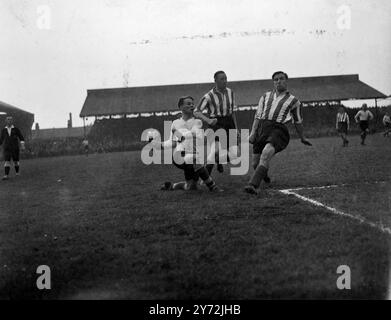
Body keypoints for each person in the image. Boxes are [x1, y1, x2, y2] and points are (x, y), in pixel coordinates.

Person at [245, 71, 312, 195]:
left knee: (266, 153)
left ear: (286, 81)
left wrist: (302, 137)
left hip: (278, 129)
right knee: (255, 163)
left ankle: (252, 185)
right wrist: (253, 132)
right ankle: (265, 177)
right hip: (262, 128)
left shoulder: (294, 101)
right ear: (273, 82)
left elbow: (298, 121)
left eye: (281, 79)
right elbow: (258, 116)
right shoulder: (265, 96)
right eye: (276, 79)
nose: (278, 81)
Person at [151, 96, 222, 192]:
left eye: (192, 104)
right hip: (179, 156)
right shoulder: (175, 123)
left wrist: (180, 135)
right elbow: (172, 143)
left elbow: (196, 134)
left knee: (192, 187)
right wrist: (158, 145)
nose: (192, 105)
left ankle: (172, 186)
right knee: (193, 159)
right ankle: (212, 186)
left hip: (193, 156)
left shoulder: (198, 122)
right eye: (188, 104)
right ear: (181, 107)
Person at [194, 70, 240, 176]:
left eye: (226, 78)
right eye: (222, 79)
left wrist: (236, 129)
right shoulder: (208, 96)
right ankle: (206, 178)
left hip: (229, 123)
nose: (225, 81)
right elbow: (196, 111)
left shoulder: (230, 92)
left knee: (235, 154)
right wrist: (208, 120)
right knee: (215, 150)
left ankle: (218, 160)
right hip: (216, 124)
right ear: (215, 80)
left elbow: (232, 112)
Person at [0, 116, 25, 180]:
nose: (9, 121)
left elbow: (21, 137)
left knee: (16, 161)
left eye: (10, 120)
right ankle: (6, 175)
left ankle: (17, 173)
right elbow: (1, 140)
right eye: (8, 119)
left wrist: (22, 145)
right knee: (7, 161)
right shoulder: (3, 130)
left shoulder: (16, 129)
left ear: (12, 121)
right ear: (6, 121)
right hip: (7, 148)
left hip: (15, 148)